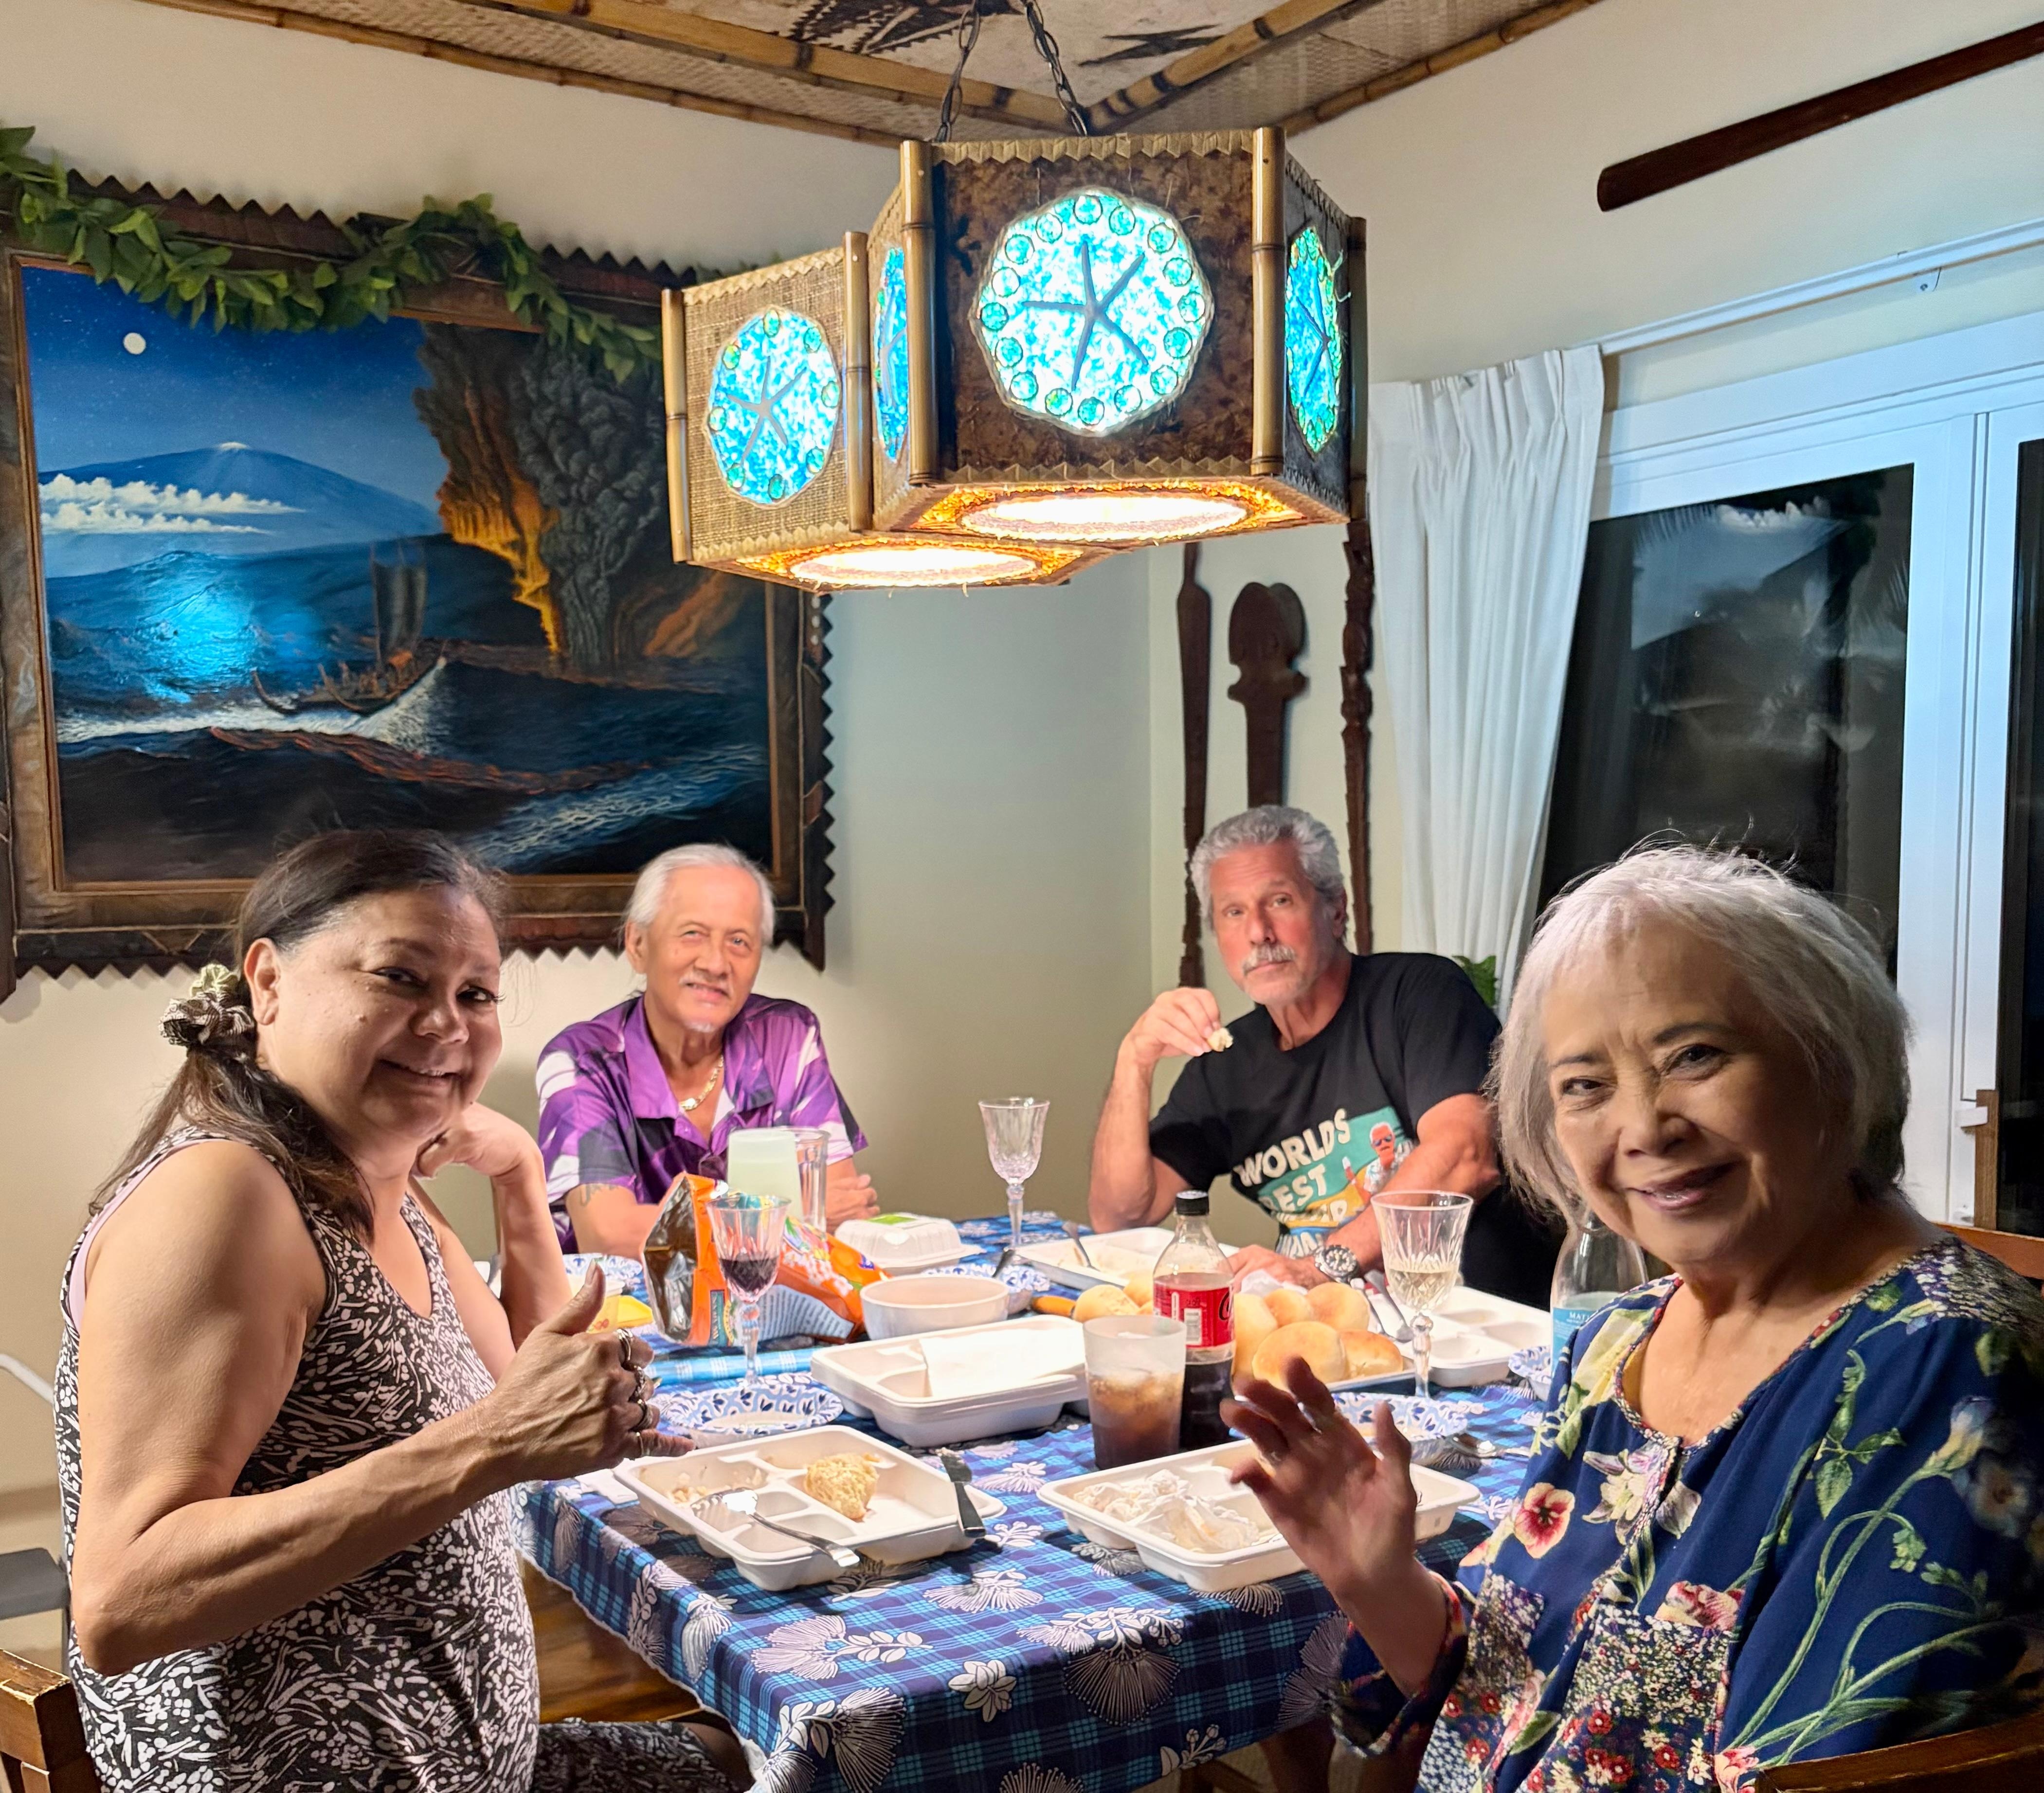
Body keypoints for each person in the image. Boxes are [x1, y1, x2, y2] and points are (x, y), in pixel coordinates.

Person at [1226, 846, 2044, 1792]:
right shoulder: (1619, 1338)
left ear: (1832, 1057)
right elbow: (1513, 1692)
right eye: (1585, 1085)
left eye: (1693, 1056)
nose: (1644, 1128)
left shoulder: (1952, 1366)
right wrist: (1378, 1581)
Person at [57, 831, 747, 1792]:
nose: (446, 1026)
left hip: (469, 1759)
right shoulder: (223, 1195)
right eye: (400, 979)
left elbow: (523, 1378)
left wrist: (518, 1178)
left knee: (749, 1755)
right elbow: (123, 1598)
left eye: (474, 993)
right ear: (268, 982)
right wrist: (487, 1446)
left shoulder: (374, 1176)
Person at [1089, 805, 1559, 1304]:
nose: (1258, 932)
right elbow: (1121, 1216)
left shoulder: (1419, 994)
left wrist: (1319, 1266)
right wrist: (1134, 1059)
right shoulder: (1223, 1067)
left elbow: (1468, 1154)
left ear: (1335, 909)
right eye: (1234, 911)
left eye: (1280, 900)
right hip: (1330, 1327)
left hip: (1470, 1331)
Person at [538, 843, 877, 1255]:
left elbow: (843, 1209)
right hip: (625, 1312)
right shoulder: (580, 1061)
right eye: (692, 933)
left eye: (739, 941)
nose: (716, 964)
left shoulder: (788, 1036)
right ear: (639, 944)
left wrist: (696, 1223)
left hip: (771, 1308)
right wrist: (789, 1212)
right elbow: (608, 1233)